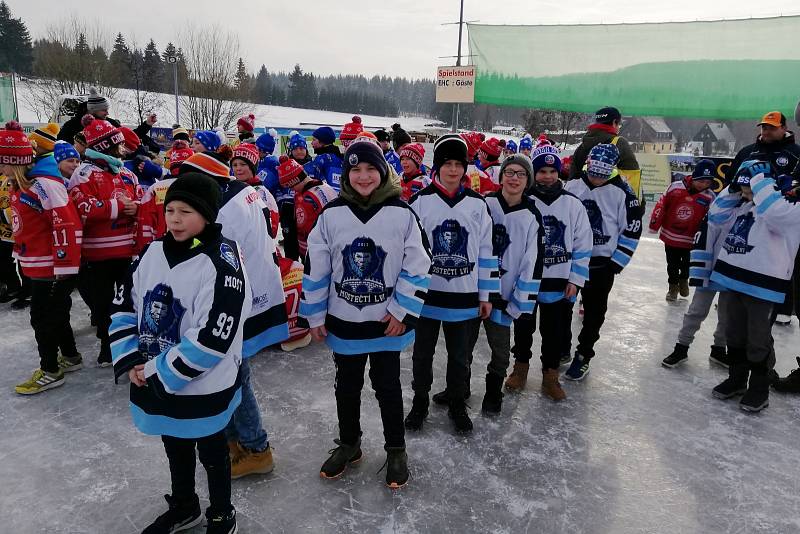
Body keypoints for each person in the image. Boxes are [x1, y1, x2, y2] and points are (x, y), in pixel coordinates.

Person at [110, 173, 247, 533]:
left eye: (185, 211)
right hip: (154, 373)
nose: (174, 218)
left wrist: (156, 373)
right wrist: (132, 362)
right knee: (174, 442)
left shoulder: (222, 262)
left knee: (212, 448)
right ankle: (185, 504)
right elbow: (124, 306)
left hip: (202, 383)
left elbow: (214, 337)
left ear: (207, 215)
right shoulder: (151, 253)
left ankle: (222, 511)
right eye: (170, 209)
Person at [301, 138, 431, 488]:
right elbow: (316, 270)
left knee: (387, 386)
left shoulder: (403, 214)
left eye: (370, 169)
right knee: (347, 386)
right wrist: (313, 315)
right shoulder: (331, 216)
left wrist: (401, 312)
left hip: (386, 324)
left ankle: (396, 448)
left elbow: (418, 267)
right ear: (346, 174)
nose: (363, 176)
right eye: (355, 169)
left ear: (383, 171)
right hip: (345, 322)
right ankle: (350, 443)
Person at [176, 150, 289, 478]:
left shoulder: (220, 208)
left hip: (239, 300)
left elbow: (205, 256)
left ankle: (256, 447)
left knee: (235, 374)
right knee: (231, 372)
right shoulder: (243, 191)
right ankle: (237, 439)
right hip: (257, 292)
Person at [405, 134, 499, 433]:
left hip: (464, 296)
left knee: (461, 357)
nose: (454, 170)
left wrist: (486, 294)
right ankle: (419, 403)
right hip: (426, 297)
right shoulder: (419, 202)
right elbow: (408, 252)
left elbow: (486, 252)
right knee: (422, 355)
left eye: (460, 164)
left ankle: (457, 403)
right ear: (437, 166)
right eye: (448, 163)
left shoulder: (477, 205)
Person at [706, 161, 800, 412]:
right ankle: (737, 379)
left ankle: (759, 387)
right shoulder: (745, 205)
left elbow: (773, 212)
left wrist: (760, 181)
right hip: (731, 279)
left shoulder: (789, 208)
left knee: (757, 340)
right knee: (733, 334)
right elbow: (715, 216)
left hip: (762, 286)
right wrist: (735, 188)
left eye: (752, 183)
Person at [0, 122, 83, 395]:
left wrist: (64, 267)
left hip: (51, 267)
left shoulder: (44, 185)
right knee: (55, 315)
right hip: (35, 264)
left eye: (2, 162)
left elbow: (66, 225)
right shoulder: (21, 185)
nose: (0, 169)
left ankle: (50, 370)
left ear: (14, 161)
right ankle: (70, 356)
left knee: (42, 318)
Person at [506, 145, 593, 399]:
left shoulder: (572, 204)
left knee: (554, 332)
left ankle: (550, 374)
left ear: (559, 173)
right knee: (523, 328)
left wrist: (576, 279)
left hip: (559, 281)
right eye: (541, 171)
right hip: (527, 280)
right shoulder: (524, 200)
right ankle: (520, 368)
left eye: (551, 171)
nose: (546, 176)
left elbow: (582, 244)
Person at [563, 143, 642, 381]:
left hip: (601, 264)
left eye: (602, 173)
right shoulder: (573, 185)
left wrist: (616, 263)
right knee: (562, 308)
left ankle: (584, 355)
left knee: (594, 313)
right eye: (592, 171)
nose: (596, 178)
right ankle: (561, 347)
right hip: (570, 261)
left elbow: (632, 229)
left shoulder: (624, 192)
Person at [68, 115, 141, 368]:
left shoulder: (126, 174)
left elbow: (140, 200)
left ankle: (127, 342)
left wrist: (136, 208)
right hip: (96, 256)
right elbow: (85, 209)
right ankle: (105, 344)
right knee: (101, 305)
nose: (122, 150)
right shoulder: (83, 174)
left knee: (126, 301)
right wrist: (120, 207)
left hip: (126, 253)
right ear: (103, 147)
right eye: (117, 145)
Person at [479, 154, 544, 412]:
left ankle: (493, 392)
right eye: (509, 172)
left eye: (520, 174)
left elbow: (532, 261)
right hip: (477, 292)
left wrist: (518, 301)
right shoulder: (485, 204)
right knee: (461, 348)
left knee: (501, 352)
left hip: (504, 296)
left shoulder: (531, 215)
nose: (514, 178)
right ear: (501, 175)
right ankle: (456, 389)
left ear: (527, 180)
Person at [649, 159, 716, 301]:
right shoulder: (675, 188)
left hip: (691, 238)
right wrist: (654, 225)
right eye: (701, 181)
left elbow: (713, 219)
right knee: (672, 264)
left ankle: (683, 280)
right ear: (694, 177)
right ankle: (673, 287)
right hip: (671, 236)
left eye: (707, 182)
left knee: (687, 264)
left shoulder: (710, 197)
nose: (704, 185)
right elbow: (661, 206)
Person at [276, 155, 338, 259]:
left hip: (316, 252)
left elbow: (304, 227)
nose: (293, 190)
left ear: (294, 181)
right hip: (329, 246)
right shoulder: (325, 187)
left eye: (290, 186)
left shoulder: (307, 198)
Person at [727, 112, 800, 185]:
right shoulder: (747, 152)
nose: (767, 132)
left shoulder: (796, 152)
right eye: (764, 128)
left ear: (784, 128)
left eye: (772, 128)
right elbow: (730, 179)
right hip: (749, 195)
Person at [569, 107, 639, 180]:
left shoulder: (583, 145)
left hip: (580, 191)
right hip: (611, 191)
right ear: (614, 122)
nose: (619, 127)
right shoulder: (619, 143)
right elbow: (632, 174)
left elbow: (573, 176)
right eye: (619, 124)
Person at [230, 143, 280, 238]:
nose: (238, 168)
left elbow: (271, 230)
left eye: (243, 164)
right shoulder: (232, 188)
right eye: (234, 165)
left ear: (253, 167)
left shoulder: (261, 193)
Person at [305, 126, 344, 192]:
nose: (312, 143)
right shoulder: (341, 157)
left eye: (314, 139)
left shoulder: (322, 159)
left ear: (323, 141)